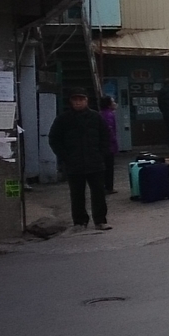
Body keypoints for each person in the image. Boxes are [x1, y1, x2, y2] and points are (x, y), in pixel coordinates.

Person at [47, 87, 112, 231]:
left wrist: (101, 154)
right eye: (75, 100)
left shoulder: (96, 117)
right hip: (74, 164)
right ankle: (79, 222)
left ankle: (100, 221)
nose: (78, 102)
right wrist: (65, 157)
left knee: (99, 193)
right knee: (77, 195)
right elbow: (54, 139)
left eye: (81, 99)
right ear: (71, 101)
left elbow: (106, 137)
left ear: (86, 100)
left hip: (95, 162)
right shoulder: (63, 119)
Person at [99, 95, 120, 194]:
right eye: (113, 102)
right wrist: (114, 141)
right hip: (108, 145)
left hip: (102, 144)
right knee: (109, 167)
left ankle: (104, 186)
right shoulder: (109, 115)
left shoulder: (101, 114)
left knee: (104, 167)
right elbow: (110, 130)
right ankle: (109, 187)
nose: (115, 103)